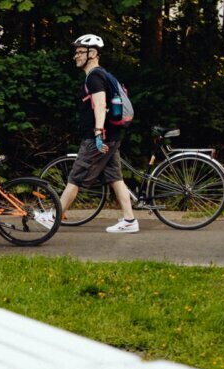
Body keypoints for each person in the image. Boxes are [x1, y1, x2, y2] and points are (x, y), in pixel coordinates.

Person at [50, 34, 139, 233]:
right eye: (76, 52)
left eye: (81, 52)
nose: (76, 56)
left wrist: (98, 133)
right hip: (112, 135)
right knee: (115, 177)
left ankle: (54, 217)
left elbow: (100, 104)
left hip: (100, 137)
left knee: (77, 176)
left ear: (94, 54)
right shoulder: (102, 75)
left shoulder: (95, 76)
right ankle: (130, 220)